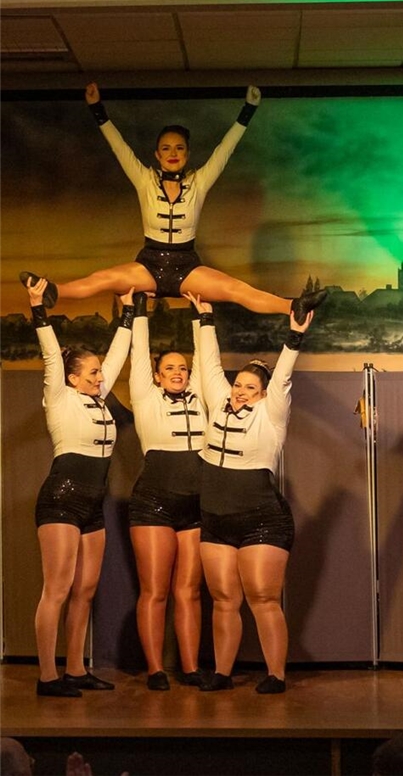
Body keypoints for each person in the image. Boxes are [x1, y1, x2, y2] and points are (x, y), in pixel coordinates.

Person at [18, 82, 326, 324]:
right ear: (157, 154)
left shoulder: (199, 182)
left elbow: (224, 150)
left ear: (188, 153)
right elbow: (119, 147)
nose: (173, 152)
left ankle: (294, 306)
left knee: (236, 290)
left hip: (185, 266)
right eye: (165, 148)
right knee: (104, 278)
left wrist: (248, 110)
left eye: (179, 147)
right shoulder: (144, 179)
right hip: (149, 264)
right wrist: (97, 109)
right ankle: (51, 290)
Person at [192, 296, 312, 693]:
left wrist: (294, 336)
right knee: (224, 598)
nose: (240, 391)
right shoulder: (217, 406)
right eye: (238, 384)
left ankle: (275, 674)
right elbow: (208, 366)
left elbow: (282, 379)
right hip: (215, 519)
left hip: (261, 520)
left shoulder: (271, 414)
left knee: (262, 598)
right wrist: (205, 318)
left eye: (250, 387)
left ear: (262, 394)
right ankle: (222, 673)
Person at [26, 276, 133, 697]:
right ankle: (47, 676)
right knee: (57, 588)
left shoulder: (97, 395)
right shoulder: (61, 396)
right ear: (72, 378)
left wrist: (127, 312)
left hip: (93, 502)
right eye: (91, 373)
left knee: (85, 590)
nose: (99, 377)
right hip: (61, 499)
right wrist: (38, 310)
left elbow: (119, 356)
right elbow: (52, 355)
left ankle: (75, 668)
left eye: (98, 373)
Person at [126, 293, 208, 690]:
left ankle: (190, 668)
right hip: (153, 503)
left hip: (196, 505)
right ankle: (156, 669)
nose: (178, 372)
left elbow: (207, 360)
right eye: (169, 367)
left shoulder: (204, 400)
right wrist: (137, 310)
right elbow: (138, 356)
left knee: (189, 592)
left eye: (183, 367)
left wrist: (200, 316)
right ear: (157, 375)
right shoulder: (145, 398)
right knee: (155, 590)